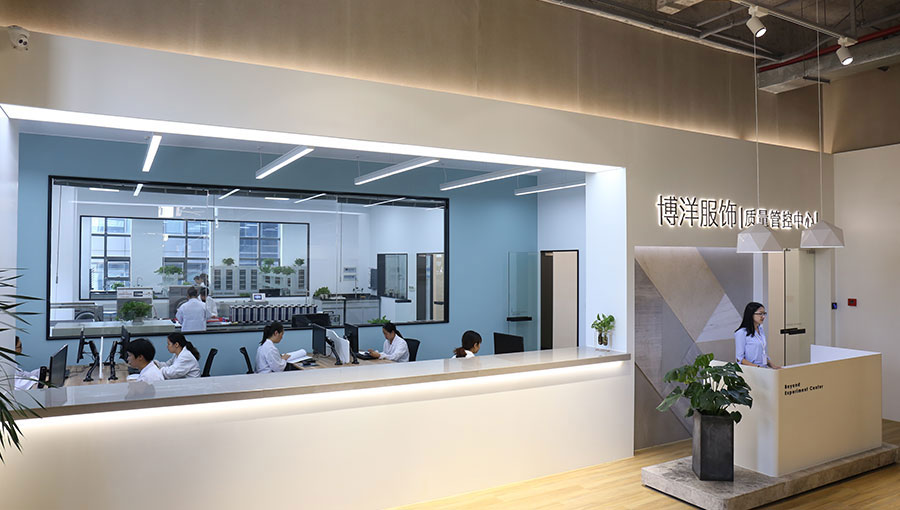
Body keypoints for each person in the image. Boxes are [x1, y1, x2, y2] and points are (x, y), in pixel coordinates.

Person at [735, 302, 780, 369]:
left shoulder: (760, 329)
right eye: (760, 314)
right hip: (752, 370)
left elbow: (762, 353)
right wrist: (758, 367)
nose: (763, 316)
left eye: (764, 313)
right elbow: (739, 359)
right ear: (751, 314)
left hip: (763, 368)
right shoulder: (741, 333)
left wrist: (773, 366)